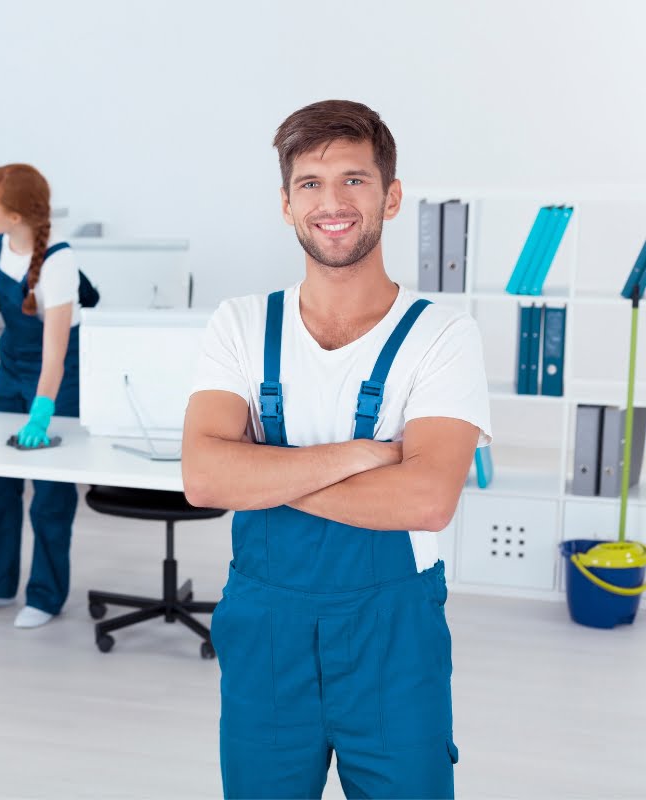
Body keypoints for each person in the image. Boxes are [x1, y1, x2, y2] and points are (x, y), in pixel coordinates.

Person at [182, 100, 492, 799]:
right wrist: (361, 454)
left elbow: (427, 498)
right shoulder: (239, 324)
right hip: (265, 630)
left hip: (392, 636)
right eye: (311, 184)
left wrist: (256, 472)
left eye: (354, 180)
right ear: (286, 205)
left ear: (392, 195)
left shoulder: (442, 336)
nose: (333, 203)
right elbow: (203, 478)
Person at [0, 163, 97, 629]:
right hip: (11, 367)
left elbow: (55, 354)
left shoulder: (58, 263)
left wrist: (42, 413)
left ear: (15, 215)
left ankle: (45, 595)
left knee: (50, 495)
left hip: (58, 378)